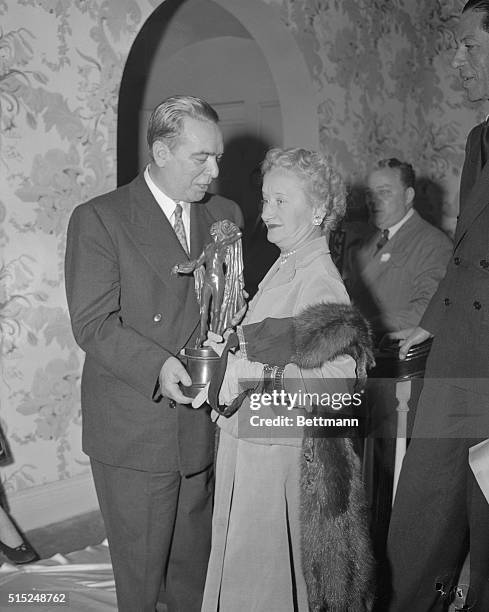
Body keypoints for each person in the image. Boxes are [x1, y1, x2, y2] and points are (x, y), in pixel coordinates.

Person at [64, 95, 243, 612]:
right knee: (142, 577)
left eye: (218, 158)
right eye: (201, 158)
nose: (214, 171)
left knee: (194, 565)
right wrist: (158, 365)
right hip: (135, 423)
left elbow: (225, 305)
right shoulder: (100, 218)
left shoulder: (225, 215)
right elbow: (93, 323)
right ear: (162, 152)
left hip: (199, 418)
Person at [199, 147, 374, 612]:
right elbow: (279, 346)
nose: (265, 212)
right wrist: (231, 350)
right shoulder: (288, 262)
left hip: (276, 457)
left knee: (262, 586)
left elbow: (337, 386)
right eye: (264, 200)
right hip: (256, 445)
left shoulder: (318, 277)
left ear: (318, 210)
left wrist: (248, 371)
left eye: (280, 201)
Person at [384, 3, 489, 610]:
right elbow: (467, 250)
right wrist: (429, 323)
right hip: (458, 355)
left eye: (469, 46)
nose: (456, 61)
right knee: (421, 512)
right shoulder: (479, 137)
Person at [344, 158, 452, 342]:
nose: (373, 201)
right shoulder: (366, 240)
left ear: (408, 196)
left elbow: (428, 309)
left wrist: (363, 325)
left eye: (384, 192)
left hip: (393, 355)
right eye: (370, 194)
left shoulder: (434, 243)